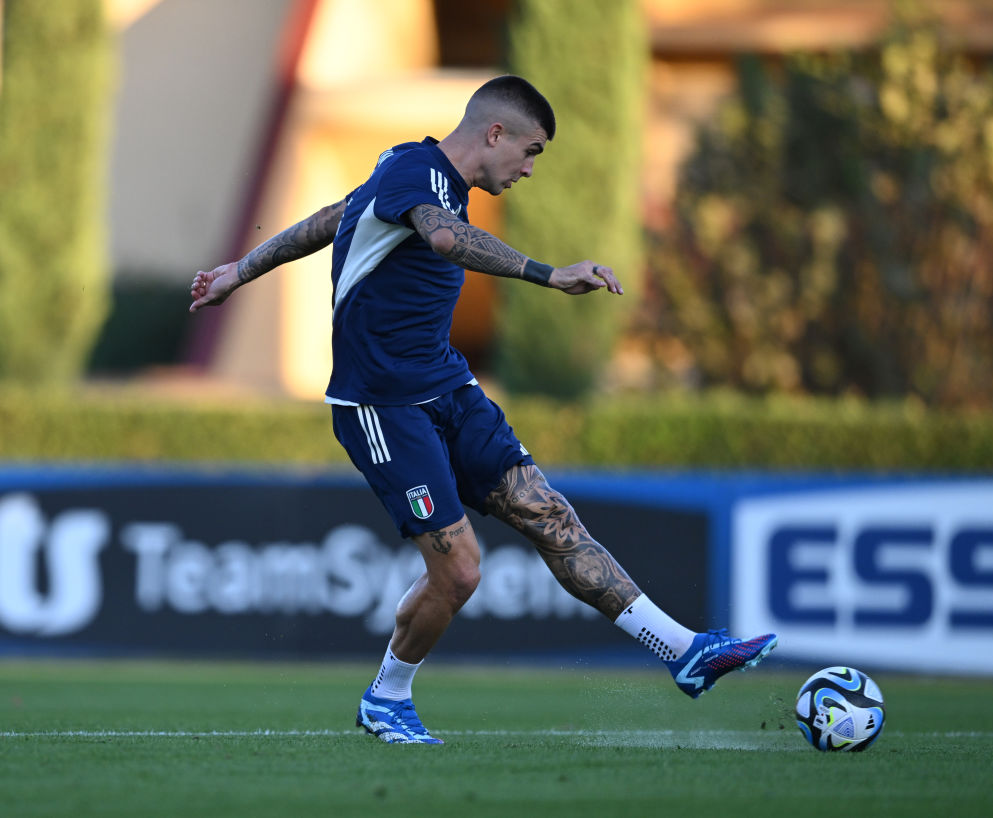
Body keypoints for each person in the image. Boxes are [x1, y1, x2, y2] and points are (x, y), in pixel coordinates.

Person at [190, 75, 777, 745]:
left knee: (549, 515)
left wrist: (240, 269)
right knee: (462, 570)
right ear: (494, 133)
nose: (529, 169)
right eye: (529, 152)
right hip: (383, 406)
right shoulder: (418, 170)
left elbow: (331, 219)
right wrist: (547, 272)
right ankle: (387, 698)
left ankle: (684, 652)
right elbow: (443, 240)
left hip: (449, 390)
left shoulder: (409, 175)